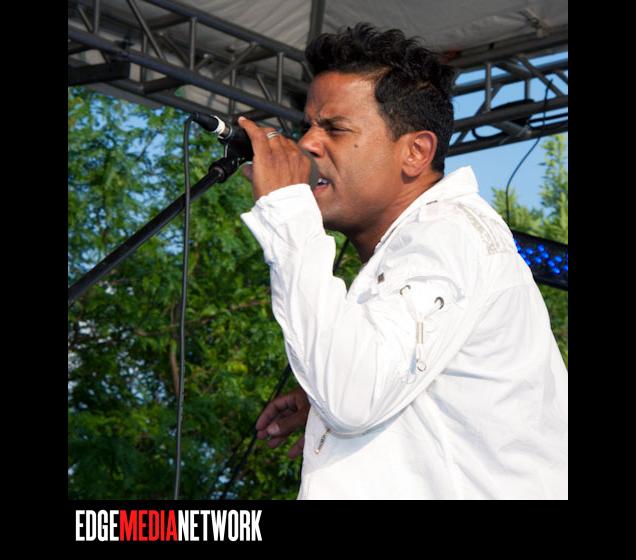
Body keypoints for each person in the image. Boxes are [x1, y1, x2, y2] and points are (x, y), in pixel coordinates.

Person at [238, 23, 568, 499]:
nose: (308, 143)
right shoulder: (426, 242)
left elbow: (352, 395)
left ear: (415, 152)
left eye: (334, 128)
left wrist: (288, 211)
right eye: (308, 125)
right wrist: (330, 409)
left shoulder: (448, 236)